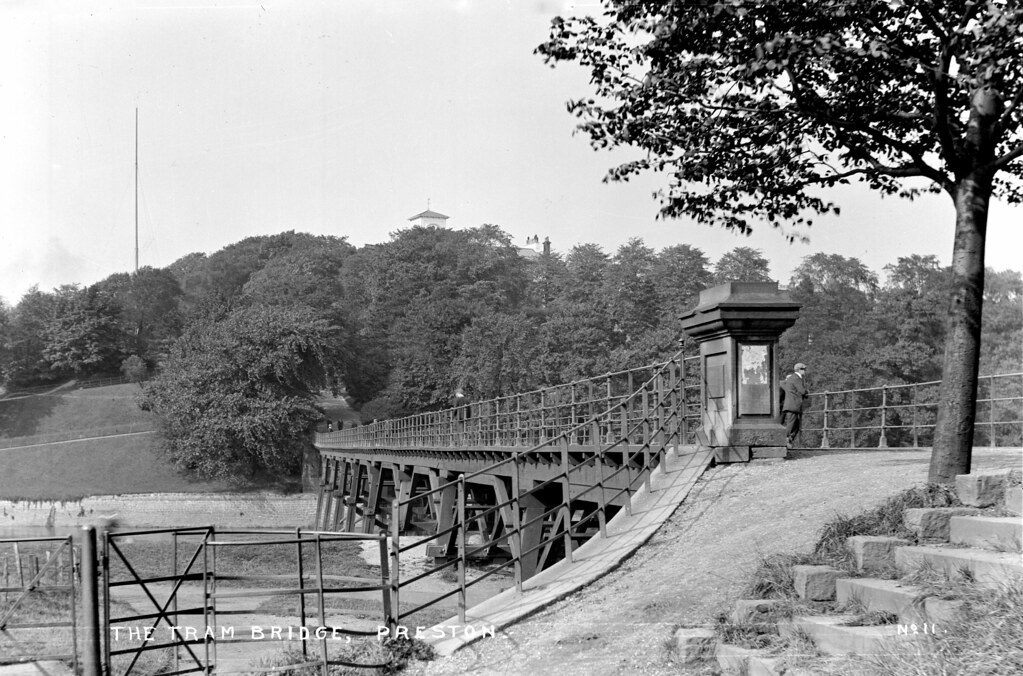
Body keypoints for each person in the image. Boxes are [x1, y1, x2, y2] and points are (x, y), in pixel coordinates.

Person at [780, 363, 809, 449]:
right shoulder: (796, 378)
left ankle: (788, 440)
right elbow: (802, 391)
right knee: (792, 424)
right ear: (799, 370)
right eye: (803, 369)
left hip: (791, 404)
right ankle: (784, 441)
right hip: (793, 405)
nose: (805, 371)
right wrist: (806, 392)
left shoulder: (792, 378)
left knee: (795, 424)